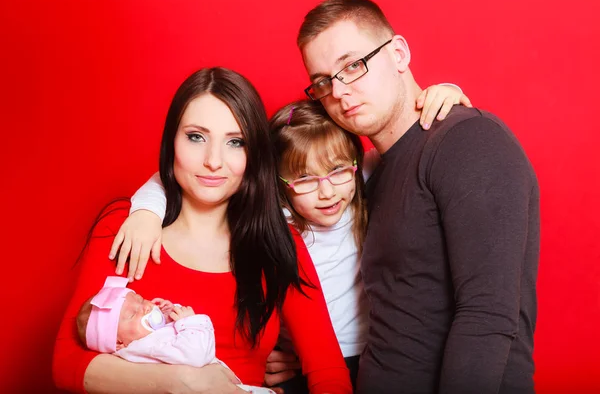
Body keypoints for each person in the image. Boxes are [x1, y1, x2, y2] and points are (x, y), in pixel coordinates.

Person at [116, 84, 470, 394]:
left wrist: (446, 95)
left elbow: (410, 146)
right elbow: (179, 177)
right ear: (277, 184)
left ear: (353, 163)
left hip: (375, 352)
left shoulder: (359, 175)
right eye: (304, 180)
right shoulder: (276, 218)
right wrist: (146, 212)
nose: (326, 192)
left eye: (336, 172)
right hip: (298, 361)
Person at [52, 67, 353, 394]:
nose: (213, 161)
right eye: (196, 136)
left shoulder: (278, 243)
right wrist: (181, 383)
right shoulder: (124, 227)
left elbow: (329, 372)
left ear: (253, 155)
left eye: (235, 142)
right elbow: (66, 361)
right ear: (172, 140)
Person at [295, 0, 540, 394]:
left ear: (398, 54)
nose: (339, 92)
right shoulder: (367, 173)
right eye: (323, 81)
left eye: (353, 66)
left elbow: (488, 315)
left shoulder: (468, 140)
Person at [77, 276, 275, 393]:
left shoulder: (143, 343)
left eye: (140, 299)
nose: (145, 308)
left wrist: (169, 314)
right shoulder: (148, 346)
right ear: (118, 343)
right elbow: (195, 356)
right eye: (132, 314)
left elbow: (173, 345)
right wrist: (189, 321)